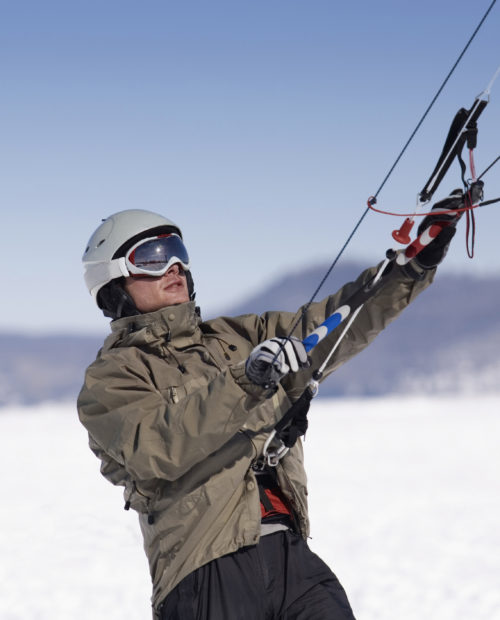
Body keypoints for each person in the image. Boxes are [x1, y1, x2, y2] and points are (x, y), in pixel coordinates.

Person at [78, 193, 463, 619]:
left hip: (290, 557)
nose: (173, 265)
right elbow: (154, 448)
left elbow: (336, 321)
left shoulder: (240, 336)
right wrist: (247, 381)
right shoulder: (111, 379)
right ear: (113, 283)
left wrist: (410, 267)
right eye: (152, 256)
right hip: (203, 572)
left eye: (178, 252)